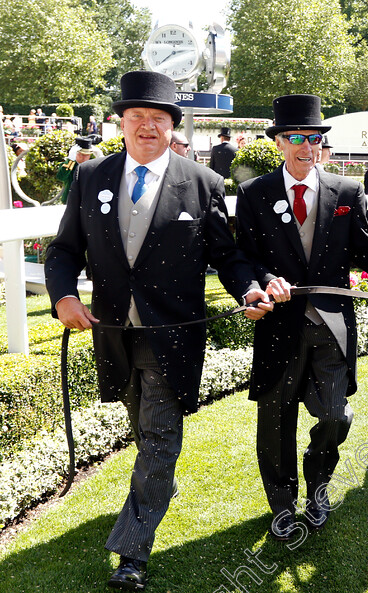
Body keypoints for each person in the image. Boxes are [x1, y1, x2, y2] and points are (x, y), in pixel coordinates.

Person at [44, 71, 271, 591]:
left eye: (158, 119)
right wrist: (63, 296)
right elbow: (62, 251)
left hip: (175, 338)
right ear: (120, 123)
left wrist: (248, 292)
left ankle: (132, 554)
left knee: (160, 442)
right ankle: (148, 502)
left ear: (173, 127)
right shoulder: (90, 177)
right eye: (136, 118)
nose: (147, 126)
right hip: (113, 334)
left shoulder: (204, 183)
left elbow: (228, 256)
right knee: (145, 433)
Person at [234, 93, 368, 541]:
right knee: (276, 421)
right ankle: (283, 504)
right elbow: (243, 258)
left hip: (332, 327)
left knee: (334, 416)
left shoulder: (347, 192)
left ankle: (317, 483)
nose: (305, 147)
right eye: (295, 138)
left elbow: (367, 249)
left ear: (321, 143)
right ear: (280, 142)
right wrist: (264, 281)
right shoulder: (254, 194)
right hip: (277, 328)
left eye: (313, 138)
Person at [55, 136, 94, 204]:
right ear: (75, 154)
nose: (84, 157)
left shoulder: (93, 165)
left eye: (87, 155)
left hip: (88, 201)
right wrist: (71, 160)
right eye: (81, 154)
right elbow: (61, 177)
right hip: (70, 201)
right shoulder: (69, 165)